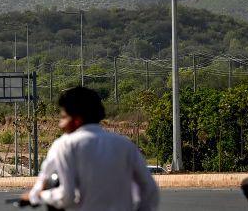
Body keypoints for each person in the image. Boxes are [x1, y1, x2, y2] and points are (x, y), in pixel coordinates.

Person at [21, 86, 158, 210]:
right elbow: (149, 189)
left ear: (76, 120)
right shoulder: (125, 144)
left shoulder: (65, 144)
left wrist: (39, 195)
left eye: (63, 117)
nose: (60, 125)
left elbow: (66, 196)